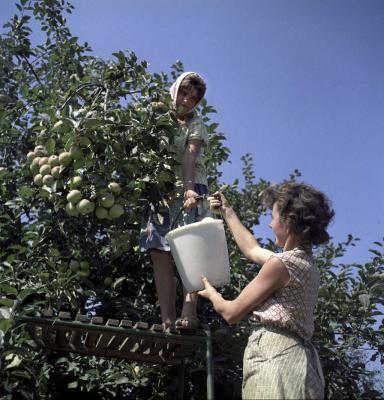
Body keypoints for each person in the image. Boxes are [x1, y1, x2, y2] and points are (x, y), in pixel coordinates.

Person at [199, 182, 334, 399]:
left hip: (276, 358)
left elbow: (231, 313)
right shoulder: (305, 264)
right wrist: (227, 211)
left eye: (273, 217)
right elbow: (251, 249)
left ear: (288, 222)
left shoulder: (282, 265)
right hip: (303, 365)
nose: (270, 225)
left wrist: (211, 293)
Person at [140, 71, 210, 329]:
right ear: (175, 90)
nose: (186, 100)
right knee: (159, 253)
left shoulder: (196, 123)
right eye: (184, 93)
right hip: (161, 191)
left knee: (190, 249)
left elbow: (190, 156)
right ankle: (167, 319)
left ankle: (189, 310)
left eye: (193, 97)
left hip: (189, 188)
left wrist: (189, 189)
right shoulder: (158, 119)